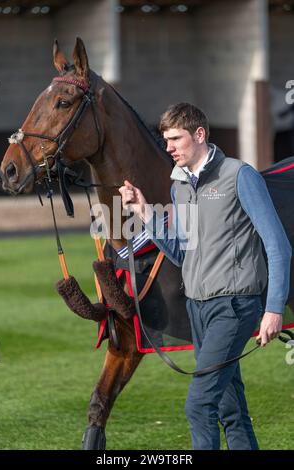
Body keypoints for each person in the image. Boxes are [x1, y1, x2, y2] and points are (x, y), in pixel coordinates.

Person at [119, 103, 292, 450]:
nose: (168, 147)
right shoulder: (179, 188)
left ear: (199, 135)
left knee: (199, 405)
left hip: (236, 307)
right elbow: (184, 253)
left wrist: (273, 309)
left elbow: (278, 246)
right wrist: (142, 211)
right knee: (230, 408)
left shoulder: (240, 175)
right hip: (198, 310)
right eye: (165, 139)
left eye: (175, 139)